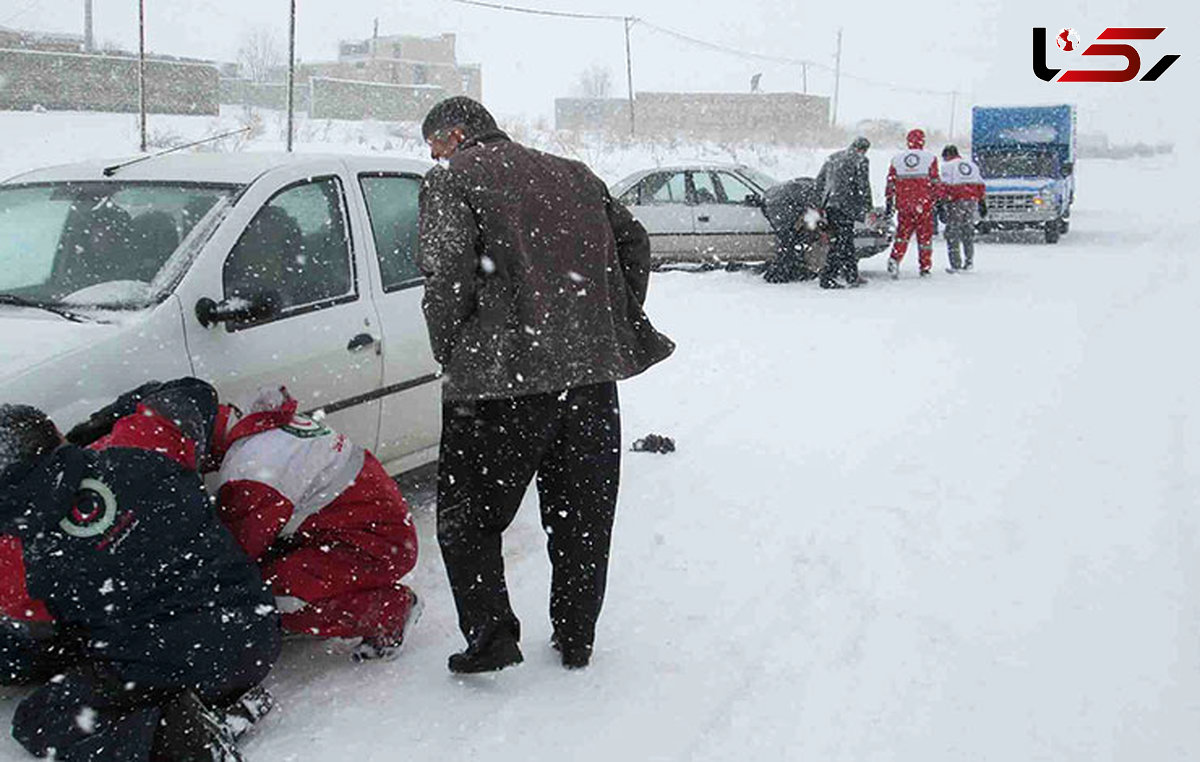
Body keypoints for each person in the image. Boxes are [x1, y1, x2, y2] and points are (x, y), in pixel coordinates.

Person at [418, 96, 675, 674]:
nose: (433, 156)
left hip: (498, 385)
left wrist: (453, 347)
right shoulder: (574, 173)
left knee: (467, 520)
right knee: (582, 517)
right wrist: (608, 317)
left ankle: (491, 639)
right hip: (587, 381)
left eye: (433, 144)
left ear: (455, 133)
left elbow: (446, 274)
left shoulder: (454, 180)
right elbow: (634, 242)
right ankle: (577, 636)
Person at [0, 379, 280, 762]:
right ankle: (223, 706)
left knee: (41, 718)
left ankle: (187, 740)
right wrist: (105, 421)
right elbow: (191, 392)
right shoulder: (140, 446)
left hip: (181, 667)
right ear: (58, 436)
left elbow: (31, 645)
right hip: (255, 629)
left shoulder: (14, 553)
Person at [210, 386, 420, 662]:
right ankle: (354, 594)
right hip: (377, 531)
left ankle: (391, 612)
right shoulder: (267, 427)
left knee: (266, 594)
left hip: (375, 545)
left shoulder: (249, 469)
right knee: (272, 566)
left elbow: (237, 557)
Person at [815, 136, 875, 288]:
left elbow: (820, 182)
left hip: (830, 205)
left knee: (846, 242)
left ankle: (851, 275)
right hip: (846, 206)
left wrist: (819, 204)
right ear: (864, 149)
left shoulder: (833, 157)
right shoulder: (860, 160)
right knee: (841, 243)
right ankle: (827, 278)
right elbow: (863, 186)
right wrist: (868, 208)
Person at [885, 128, 941, 278]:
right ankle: (925, 267)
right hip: (924, 206)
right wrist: (937, 200)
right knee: (925, 239)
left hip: (904, 205)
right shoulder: (930, 158)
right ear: (922, 140)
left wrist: (889, 200)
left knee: (902, 235)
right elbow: (935, 182)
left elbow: (891, 182)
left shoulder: (897, 159)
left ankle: (895, 259)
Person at [761, 177, 827, 284]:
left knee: (789, 240)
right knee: (788, 240)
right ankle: (783, 272)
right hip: (780, 208)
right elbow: (815, 213)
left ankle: (789, 267)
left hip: (775, 203)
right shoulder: (816, 194)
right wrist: (821, 231)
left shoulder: (811, 186)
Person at [936, 144, 987, 272]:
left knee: (952, 233)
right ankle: (969, 261)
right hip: (971, 202)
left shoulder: (948, 166)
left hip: (955, 202)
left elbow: (944, 186)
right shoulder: (971, 165)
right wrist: (981, 202)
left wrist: (940, 204)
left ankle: (955, 264)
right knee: (967, 232)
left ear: (947, 155)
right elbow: (980, 185)